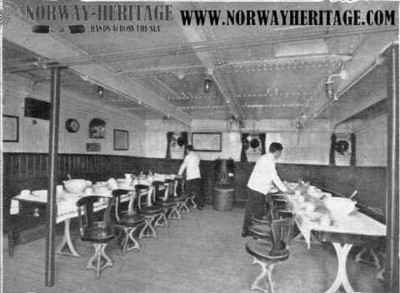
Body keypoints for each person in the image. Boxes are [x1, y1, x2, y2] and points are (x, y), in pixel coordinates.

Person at [242, 142, 291, 237]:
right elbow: (274, 176)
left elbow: (265, 176)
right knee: (257, 211)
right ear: (277, 151)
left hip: (255, 187)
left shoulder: (266, 158)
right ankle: (254, 232)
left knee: (252, 210)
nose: (280, 155)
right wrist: (285, 190)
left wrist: (272, 187)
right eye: (280, 152)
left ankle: (247, 230)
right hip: (257, 189)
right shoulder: (268, 160)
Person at [178, 145, 203, 209]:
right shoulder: (197, 156)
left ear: (187, 150)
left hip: (190, 177)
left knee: (187, 191)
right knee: (198, 191)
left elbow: (184, 165)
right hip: (197, 176)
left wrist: (179, 174)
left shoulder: (188, 156)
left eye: (186, 150)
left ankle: (186, 205)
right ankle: (200, 205)